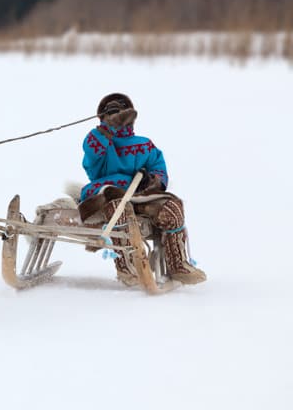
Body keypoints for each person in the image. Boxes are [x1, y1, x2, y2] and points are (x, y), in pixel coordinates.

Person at [78, 93, 206, 286]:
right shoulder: (99, 142)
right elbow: (91, 150)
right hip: (109, 191)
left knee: (172, 206)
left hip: (141, 193)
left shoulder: (144, 144)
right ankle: (127, 266)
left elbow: (158, 165)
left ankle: (178, 263)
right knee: (117, 210)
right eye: (111, 115)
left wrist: (153, 180)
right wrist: (107, 128)